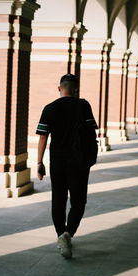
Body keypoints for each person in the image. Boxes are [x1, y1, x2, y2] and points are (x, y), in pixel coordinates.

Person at [36, 74, 98, 259]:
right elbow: (92, 131)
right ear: (76, 89)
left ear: (59, 88)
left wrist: (39, 162)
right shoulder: (83, 105)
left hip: (57, 161)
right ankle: (67, 234)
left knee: (58, 200)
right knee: (78, 201)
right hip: (79, 162)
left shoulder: (50, 108)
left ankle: (60, 236)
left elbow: (43, 137)